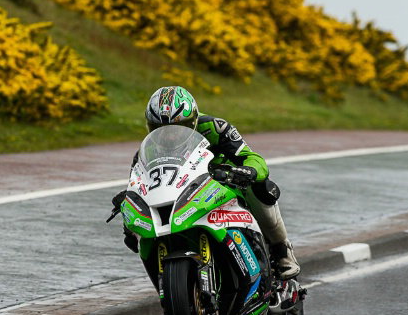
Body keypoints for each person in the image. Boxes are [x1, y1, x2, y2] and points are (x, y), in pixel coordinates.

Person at [118, 85, 300, 280]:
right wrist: (129, 216)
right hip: (184, 193)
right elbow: (138, 182)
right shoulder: (149, 148)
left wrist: (249, 170)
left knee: (262, 188)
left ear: (193, 121)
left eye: (179, 128)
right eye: (160, 129)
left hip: (224, 181)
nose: (169, 135)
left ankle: (282, 249)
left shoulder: (215, 127)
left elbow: (251, 157)